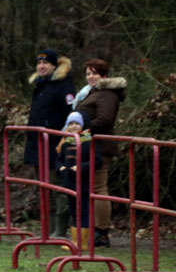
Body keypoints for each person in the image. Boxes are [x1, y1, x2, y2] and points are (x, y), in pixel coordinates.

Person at [24, 48, 76, 238]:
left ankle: (60, 229)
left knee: (58, 187)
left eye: (45, 63)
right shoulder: (40, 86)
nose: (41, 66)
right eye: (39, 63)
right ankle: (48, 227)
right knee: (43, 187)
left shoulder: (63, 86)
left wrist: (64, 141)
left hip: (55, 145)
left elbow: (70, 116)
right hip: (37, 145)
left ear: (55, 65)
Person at [74, 58, 126, 247]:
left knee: (98, 188)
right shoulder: (93, 93)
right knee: (91, 188)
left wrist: (82, 129)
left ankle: (101, 231)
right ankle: (91, 229)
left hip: (101, 146)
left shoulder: (106, 94)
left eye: (94, 73)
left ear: (104, 75)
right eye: (88, 73)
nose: (90, 77)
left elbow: (105, 120)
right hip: (89, 144)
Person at [55, 111, 102, 251]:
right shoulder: (66, 143)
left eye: (76, 123)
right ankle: (75, 240)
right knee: (74, 210)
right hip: (69, 183)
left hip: (84, 183)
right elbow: (58, 159)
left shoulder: (88, 142)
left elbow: (97, 161)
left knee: (85, 210)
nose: (74, 126)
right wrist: (61, 168)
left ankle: (84, 242)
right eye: (71, 124)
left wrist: (81, 167)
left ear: (82, 125)